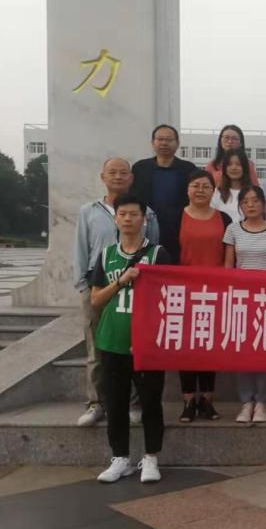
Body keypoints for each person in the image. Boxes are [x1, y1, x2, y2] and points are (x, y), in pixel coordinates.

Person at [90, 195, 171, 484]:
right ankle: (120, 458)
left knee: (150, 402)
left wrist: (151, 335)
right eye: (122, 214)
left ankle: (151, 457)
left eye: (133, 214)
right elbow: (96, 299)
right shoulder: (106, 255)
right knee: (116, 403)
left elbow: (169, 298)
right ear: (115, 219)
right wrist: (120, 281)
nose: (127, 219)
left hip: (146, 343)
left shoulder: (158, 253)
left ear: (143, 219)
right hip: (112, 340)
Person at [74, 158, 159, 427]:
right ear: (103, 177)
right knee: (96, 348)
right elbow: (81, 248)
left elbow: (154, 249)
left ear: (131, 178)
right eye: (113, 172)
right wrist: (83, 285)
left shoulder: (148, 213)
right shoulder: (88, 211)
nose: (118, 176)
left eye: (124, 172)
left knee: (133, 345)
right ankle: (96, 402)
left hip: (137, 289)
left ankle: (133, 403)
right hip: (99, 286)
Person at [223, 186, 266, 423]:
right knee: (243, 351)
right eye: (245, 201)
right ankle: (246, 401)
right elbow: (229, 266)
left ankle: (262, 402)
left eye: (255, 200)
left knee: (264, 351)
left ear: (264, 204)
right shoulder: (232, 229)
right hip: (241, 298)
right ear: (240, 205)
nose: (250, 205)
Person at [176, 170, 231, 423]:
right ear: (187, 190)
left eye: (206, 186)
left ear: (213, 191)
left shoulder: (224, 218)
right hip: (183, 291)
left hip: (214, 291)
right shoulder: (175, 217)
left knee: (209, 345)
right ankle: (188, 400)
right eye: (195, 185)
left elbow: (229, 254)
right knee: (186, 347)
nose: (200, 190)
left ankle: (207, 399)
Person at [130, 124, 196, 263]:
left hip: (179, 231)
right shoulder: (140, 168)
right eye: (160, 139)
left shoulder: (188, 169)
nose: (164, 143)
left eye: (169, 139)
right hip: (145, 231)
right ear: (152, 142)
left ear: (177, 143)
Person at [210, 149, 254, 222]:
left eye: (238, 164)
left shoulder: (253, 193)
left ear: (244, 167)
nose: (234, 168)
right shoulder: (217, 193)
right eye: (229, 164)